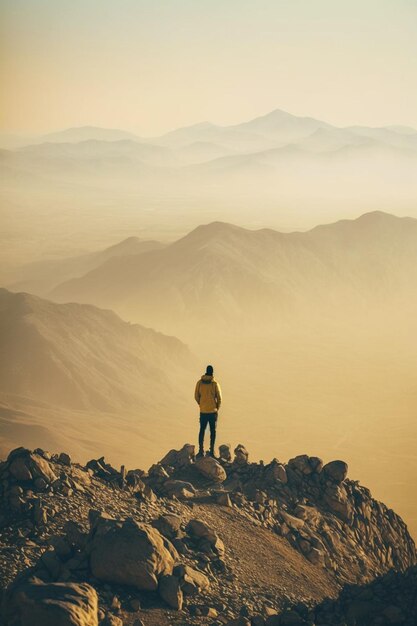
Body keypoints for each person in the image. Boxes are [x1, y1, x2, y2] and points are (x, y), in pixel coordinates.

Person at [194, 365, 222, 458]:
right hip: (212, 412)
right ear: (212, 372)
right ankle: (211, 451)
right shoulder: (214, 384)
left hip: (203, 411)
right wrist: (216, 407)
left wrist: (201, 404)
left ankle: (201, 450)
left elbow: (196, 396)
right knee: (212, 431)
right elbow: (219, 398)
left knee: (202, 430)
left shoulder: (200, 383)